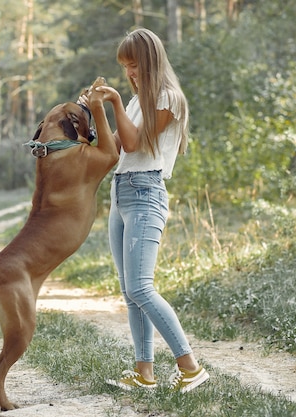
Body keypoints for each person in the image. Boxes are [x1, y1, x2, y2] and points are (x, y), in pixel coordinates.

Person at [81, 27, 210, 393]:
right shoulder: (137, 103)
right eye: (125, 67)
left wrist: (116, 103)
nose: (129, 73)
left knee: (141, 287)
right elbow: (116, 148)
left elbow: (136, 144)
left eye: (134, 65)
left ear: (151, 61)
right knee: (129, 290)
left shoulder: (169, 99)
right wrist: (96, 110)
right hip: (122, 194)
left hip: (146, 192)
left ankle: (189, 366)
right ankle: (144, 373)